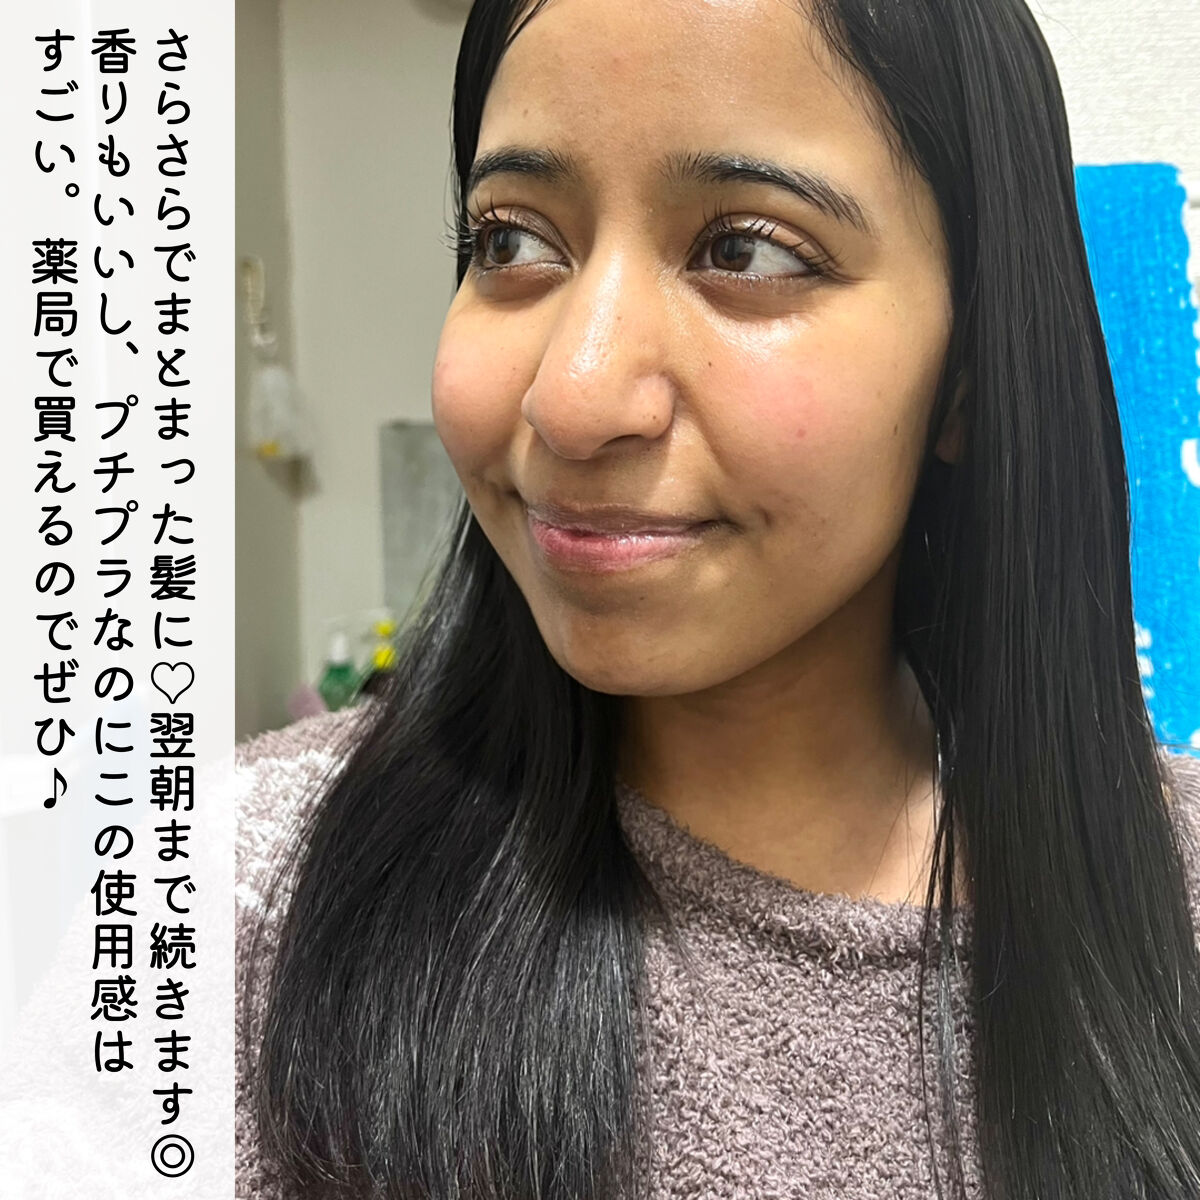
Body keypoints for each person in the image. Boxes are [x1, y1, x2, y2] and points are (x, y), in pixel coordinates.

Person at [235, 0, 1200, 1197]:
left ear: (967, 375)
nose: (572, 399)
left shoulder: (1174, 894)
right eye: (511, 240)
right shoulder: (235, 894)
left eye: (745, 251)